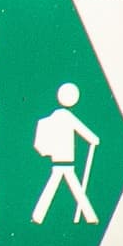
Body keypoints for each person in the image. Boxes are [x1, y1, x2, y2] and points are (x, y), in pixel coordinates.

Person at [30, 81, 99, 224]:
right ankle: (90, 217)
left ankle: (38, 217)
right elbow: (83, 131)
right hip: (66, 160)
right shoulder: (67, 117)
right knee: (76, 190)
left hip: (57, 160)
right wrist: (94, 139)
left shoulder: (53, 117)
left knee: (58, 188)